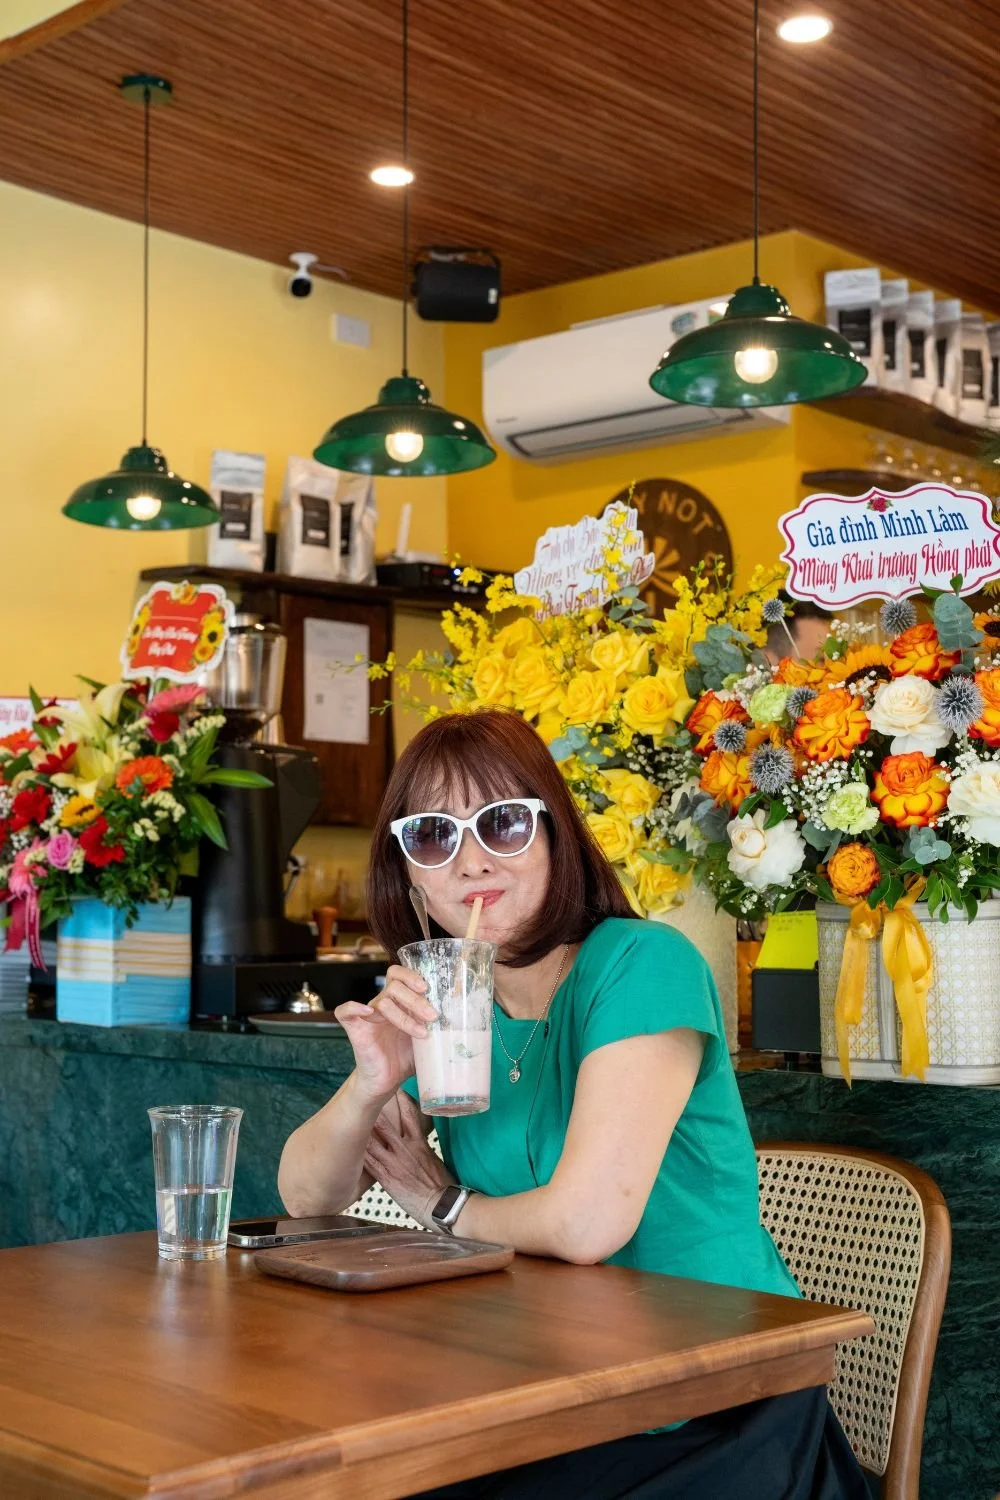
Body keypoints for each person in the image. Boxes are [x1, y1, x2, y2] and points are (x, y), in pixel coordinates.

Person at [278, 710, 867, 1500]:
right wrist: (371, 1082)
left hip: (713, 1403)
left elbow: (586, 1225)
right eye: (434, 836)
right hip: (541, 1384)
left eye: (503, 823)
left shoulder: (644, 964)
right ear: (409, 872)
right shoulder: (456, 1006)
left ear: (556, 835)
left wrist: (444, 1205)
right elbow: (307, 1198)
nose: (471, 861)